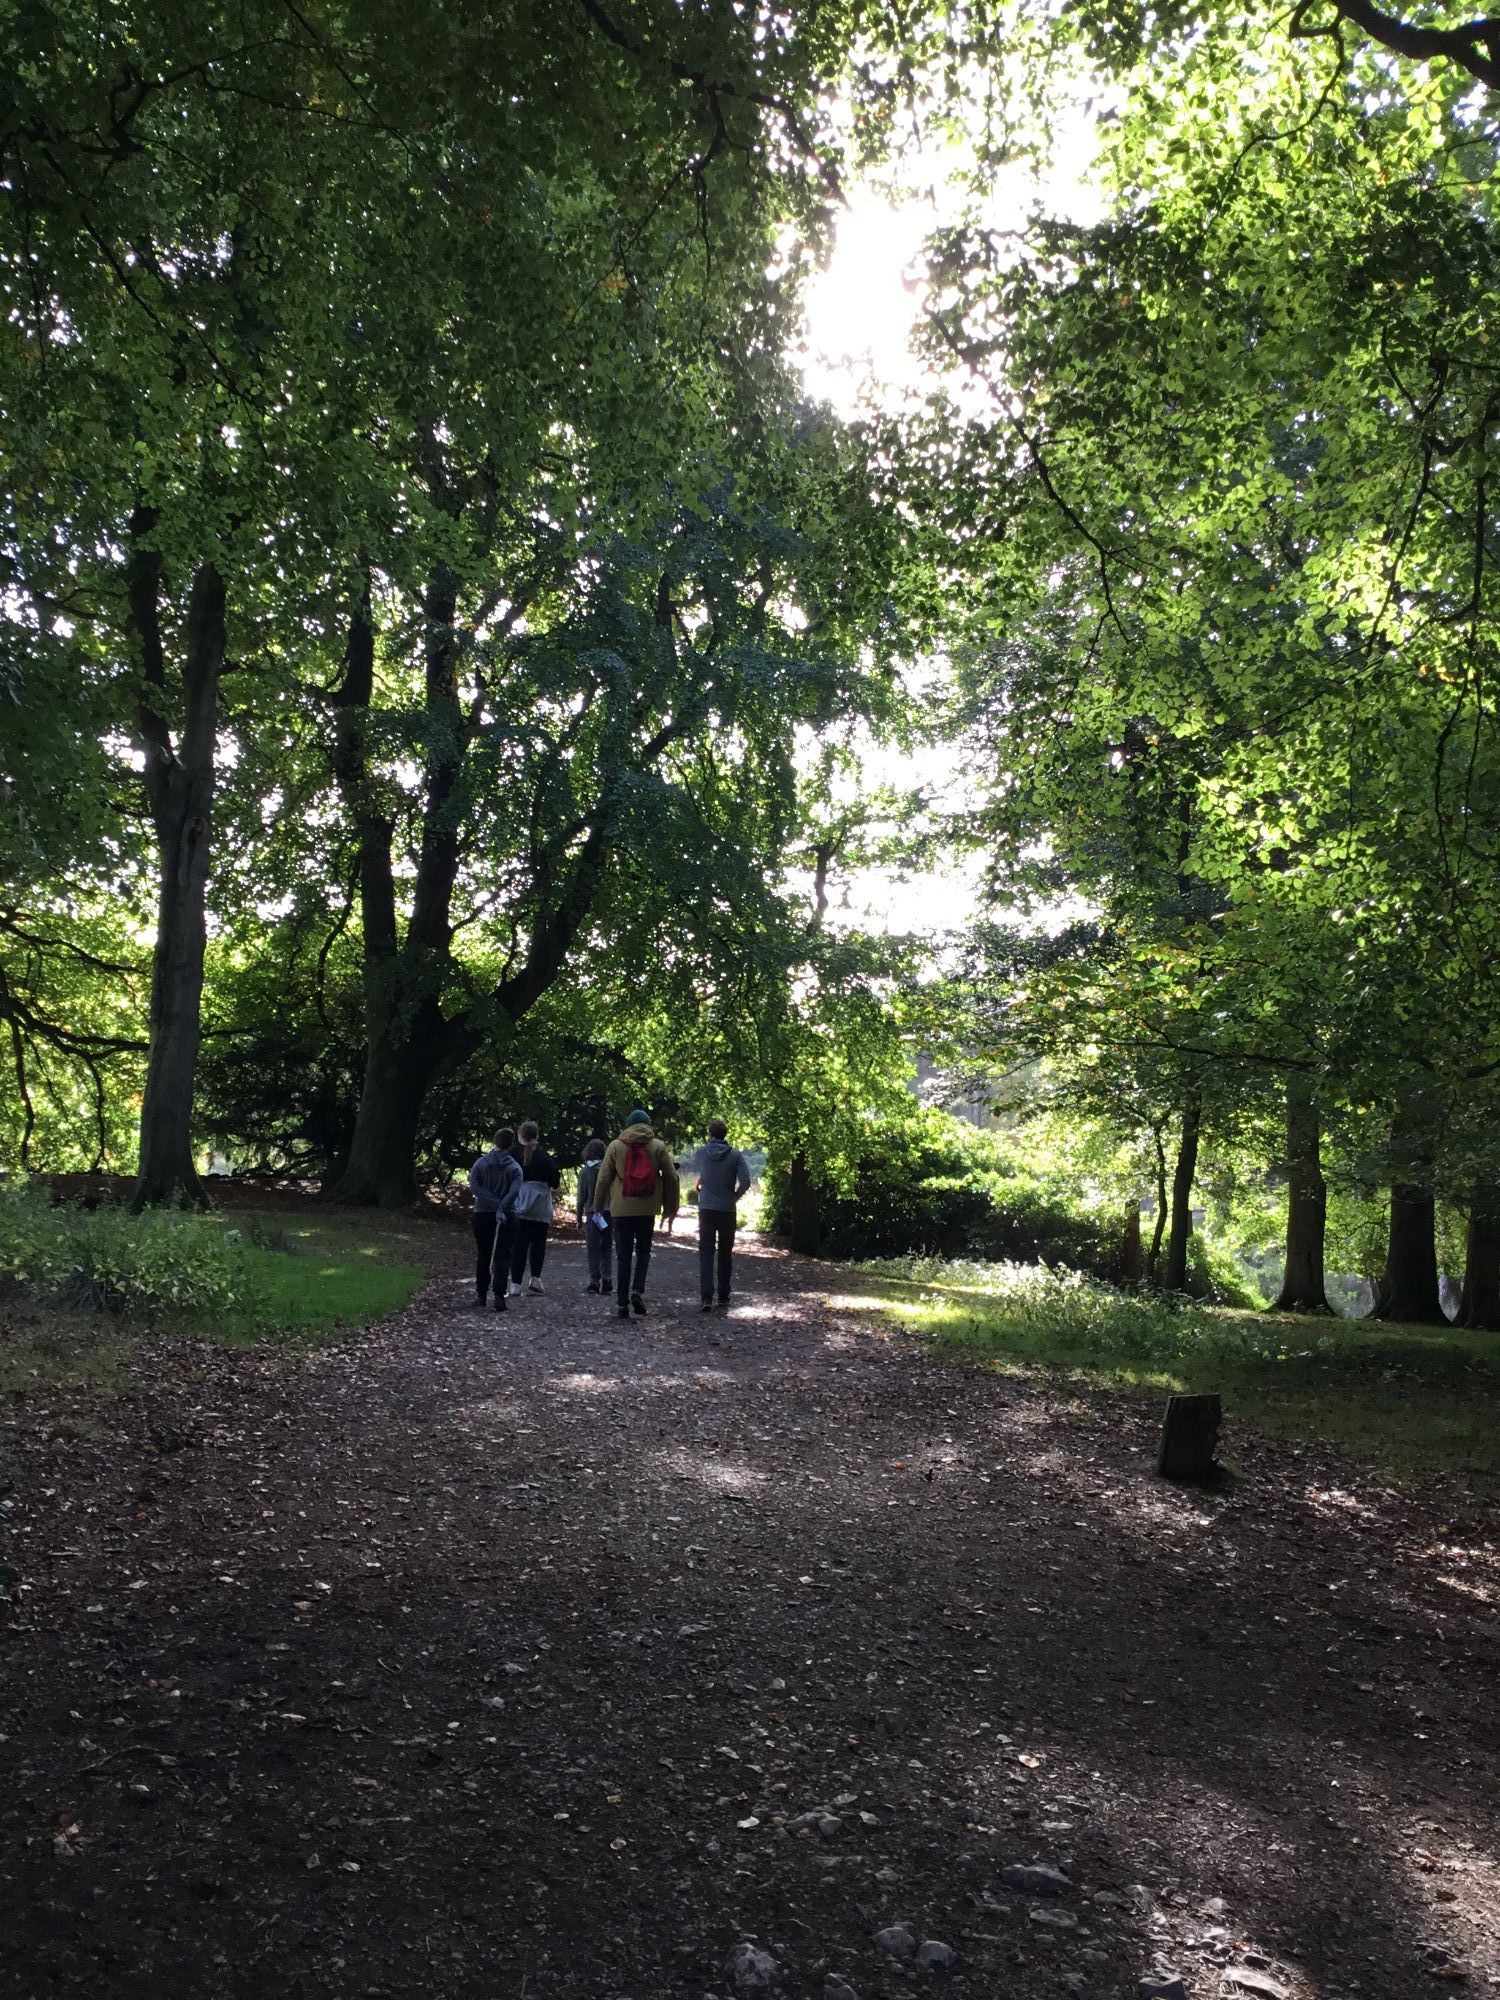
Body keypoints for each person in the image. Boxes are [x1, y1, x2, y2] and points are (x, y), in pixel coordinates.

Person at [593, 1109, 680, 1319]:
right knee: (643, 1252)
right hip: (647, 1208)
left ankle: (622, 1304)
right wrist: (671, 1208)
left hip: (621, 1209)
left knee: (623, 1255)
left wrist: (597, 1206)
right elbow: (671, 1177)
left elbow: (603, 1179)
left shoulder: (615, 1146)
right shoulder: (657, 1146)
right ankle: (636, 1291)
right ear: (647, 1124)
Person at [694, 1118, 753, 1312]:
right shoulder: (735, 1155)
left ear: (710, 1134)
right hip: (727, 1209)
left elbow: (702, 1174)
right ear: (725, 1134)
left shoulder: (702, 1153)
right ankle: (724, 1296)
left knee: (706, 1252)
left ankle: (706, 1298)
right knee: (725, 1253)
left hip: (707, 1208)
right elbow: (745, 1181)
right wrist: (734, 1197)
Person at [468, 1127, 522, 1310]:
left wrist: (491, 1202)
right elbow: (514, 1192)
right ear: (511, 1144)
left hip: (482, 1213)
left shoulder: (481, 1164)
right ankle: (499, 1295)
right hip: (508, 1215)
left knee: (484, 1253)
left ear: (494, 1141)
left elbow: (474, 1187)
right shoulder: (515, 1168)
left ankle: (481, 1294)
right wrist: (501, 1205)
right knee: (503, 1255)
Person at [507, 1120, 561, 1295]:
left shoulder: (512, 1155)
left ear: (519, 1135)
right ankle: (535, 1279)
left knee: (518, 1245)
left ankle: (515, 1284)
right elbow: (555, 1181)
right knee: (538, 1243)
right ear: (536, 1136)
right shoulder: (544, 1157)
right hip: (539, 1206)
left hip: (517, 1204)